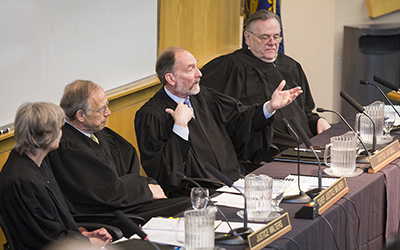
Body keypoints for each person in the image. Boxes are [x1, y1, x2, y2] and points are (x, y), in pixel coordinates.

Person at [134, 47, 302, 196]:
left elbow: (240, 118)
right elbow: (163, 171)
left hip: (235, 183)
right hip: (198, 196)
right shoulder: (151, 115)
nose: (199, 74)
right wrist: (179, 127)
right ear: (171, 78)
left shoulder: (205, 97)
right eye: (191, 69)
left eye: (196, 67)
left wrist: (269, 107)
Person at [47, 80, 190, 236]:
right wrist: (145, 189)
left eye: (106, 105)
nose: (108, 112)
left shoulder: (98, 132)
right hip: (105, 215)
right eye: (101, 109)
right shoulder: (66, 147)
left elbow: (127, 164)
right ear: (80, 115)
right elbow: (103, 191)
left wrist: (147, 184)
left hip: (126, 202)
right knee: (188, 210)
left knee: (191, 207)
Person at [200, 10, 331, 161]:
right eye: (265, 37)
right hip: (265, 152)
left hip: (305, 146)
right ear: (247, 38)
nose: (272, 42)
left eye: (276, 36)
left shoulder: (291, 66)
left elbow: (306, 111)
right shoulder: (231, 67)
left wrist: (317, 121)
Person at [0, 102, 112, 250]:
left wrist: (84, 234)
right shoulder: (21, 181)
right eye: (59, 128)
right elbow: (46, 239)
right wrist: (87, 243)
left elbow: (57, 222)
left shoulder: (38, 163)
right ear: (45, 135)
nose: (61, 133)